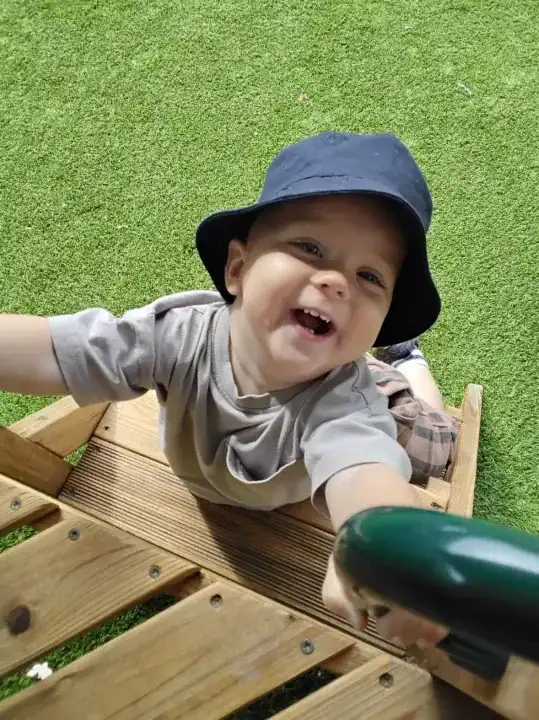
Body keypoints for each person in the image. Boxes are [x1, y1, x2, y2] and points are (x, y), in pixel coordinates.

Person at [0, 131, 456, 649]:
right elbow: (56, 350)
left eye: (370, 276)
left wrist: (376, 547)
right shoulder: (175, 336)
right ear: (237, 269)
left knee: (434, 440)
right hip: (298, 406)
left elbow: (363, 470)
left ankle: (408, 360)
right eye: (309, 248)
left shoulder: (346, 409)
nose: (337, 282)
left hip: (379, 399)